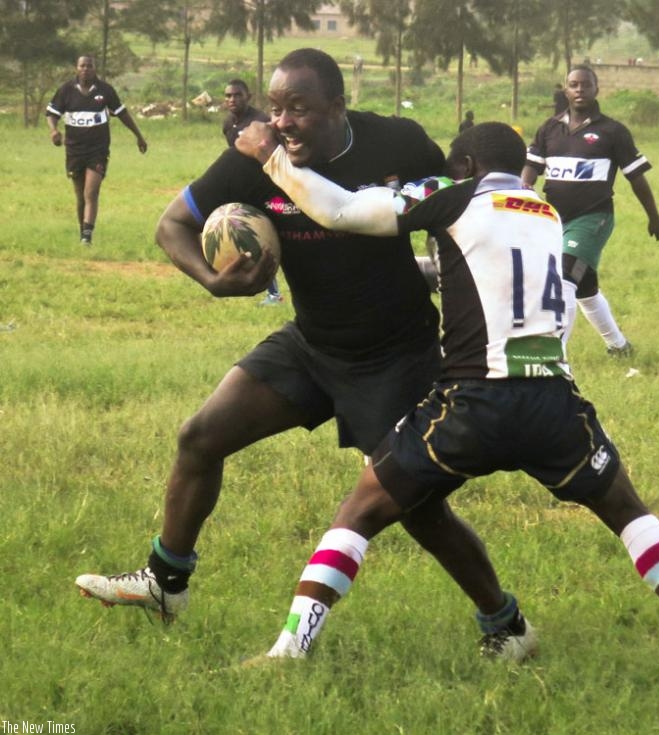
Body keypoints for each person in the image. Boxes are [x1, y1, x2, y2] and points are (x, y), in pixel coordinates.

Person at [234, 122, 659, 673]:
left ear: (467, 166)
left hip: (473, 402)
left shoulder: (453, 196)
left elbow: (340, 211)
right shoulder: (545, 214)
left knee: (360, 510)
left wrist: (271, 158)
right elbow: (480, 272)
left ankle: (289, 649)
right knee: (627, 510)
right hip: (554, 402)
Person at [75, 49, 496, 635]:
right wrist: (212, 280)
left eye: (298, 109)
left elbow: (462, 210)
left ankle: (503, 619)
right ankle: (165, 585)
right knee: (200, 437)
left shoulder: (396, 143)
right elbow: (171, 224)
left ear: (338, 107)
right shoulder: (253, 160)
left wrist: (455, 282)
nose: (281, 122)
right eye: (275, 108)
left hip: (395, 353)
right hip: (313, 345)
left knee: (420, 510)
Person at [521, 65, 659, 356]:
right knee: (585, 288)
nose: (579, 90)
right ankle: (619, 346)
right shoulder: (549, 128)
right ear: (565, 89)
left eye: (585, 85)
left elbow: (636, 177)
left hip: (593, 217)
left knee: (563, 278)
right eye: (573, 85)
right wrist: (523, 192)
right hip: (553, 219)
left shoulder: (612, 131)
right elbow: (531, 168)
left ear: (596, 89)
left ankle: (554, 354)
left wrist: (654, 216)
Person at [46, 55, 148, 245]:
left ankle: (87, 236)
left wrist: (139, 136)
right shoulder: (66, 90)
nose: (85, 69)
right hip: (74, 151)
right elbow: (52, 114)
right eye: (82, 65)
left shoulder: (105, 90)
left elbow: (122, 113)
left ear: (95, 69)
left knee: (91, 192)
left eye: (89, 66)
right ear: (76, 68)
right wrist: (54, 131)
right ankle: (82, 232)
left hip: (97, 150)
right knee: (80, 196)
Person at [222, 78, 284, 306]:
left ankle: (275, 294)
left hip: (268, 187)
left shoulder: (261, 122)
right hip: (244, 188)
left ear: (248, 97)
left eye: (237, 95)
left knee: (264, 238)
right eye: (228, 96)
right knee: (247, 236)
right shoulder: (228, 125)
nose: (232, 99)